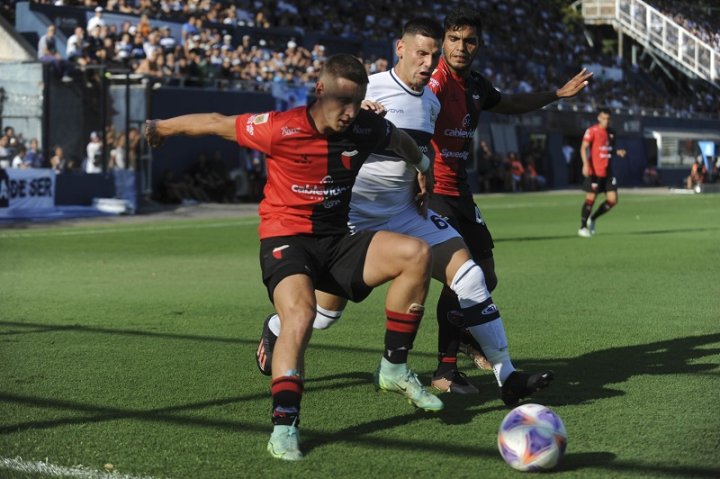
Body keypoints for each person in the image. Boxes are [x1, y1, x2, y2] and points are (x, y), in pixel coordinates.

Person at [144, 54, 443, 461]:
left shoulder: (365, 127)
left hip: (337, 239)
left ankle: (393, 370)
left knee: (416, 254)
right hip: (287, 239)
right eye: (343, 102)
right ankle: (284, 426)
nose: (350, 112)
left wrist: (424, 164)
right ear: (320, 91)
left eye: (358, 102)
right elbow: (216, 122)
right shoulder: (280, 128)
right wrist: (162, 127)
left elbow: (398, 140)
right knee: (300, 316)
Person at [256, 17, 555, 402]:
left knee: (471, 277)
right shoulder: (369, 88)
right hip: (352, 219)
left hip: (405, 213)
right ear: (399, 49)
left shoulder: (429, 101)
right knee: (325, 315)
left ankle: (508, 377)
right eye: (420, 53)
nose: (428, 63)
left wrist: (421, 170)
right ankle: (277, 326)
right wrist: (349, 109)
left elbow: (415, 147)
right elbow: (310, 120)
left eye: (433, 56)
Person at [427, 7, 591, 380]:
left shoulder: (477, 85)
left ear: (479, 45)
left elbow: (510, 104)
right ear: (443, 42)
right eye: (453, 39)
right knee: (462, 275)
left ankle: (466, 335)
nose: (460, 47)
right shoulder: (433, 82)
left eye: (469, 41)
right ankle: (445, 369)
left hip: (461, 193)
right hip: (432, 192)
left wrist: (555, 94)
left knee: (486, 276)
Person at [578, 108, 627, 237]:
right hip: (594, 171)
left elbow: (607, 150)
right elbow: (584, 148)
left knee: (613, 200)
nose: (606, 121)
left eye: (608, 119)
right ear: (599, 118)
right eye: (604, 118)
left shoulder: (611, 133)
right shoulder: (592, 131)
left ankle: (593, 218)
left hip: (608, 172)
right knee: (591, 199)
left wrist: (617, 152)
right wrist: (585, 164)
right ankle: (582, 227)